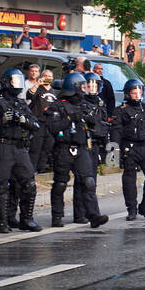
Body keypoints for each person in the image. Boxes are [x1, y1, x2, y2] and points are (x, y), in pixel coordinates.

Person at [49, 72, 108, 229]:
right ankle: (57, 215)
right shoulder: (58, 106)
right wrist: (69, 118)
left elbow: (96, 124)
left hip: (81, 147)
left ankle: (93, 215)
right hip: (63, 147)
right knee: (60, 183)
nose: (84, 90)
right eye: (81, 87)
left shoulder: (84, 105)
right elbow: (53, 127)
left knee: (88, 181)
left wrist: (90, 118)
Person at [0, 68, 40, 232]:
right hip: (3, 146)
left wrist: (23, 120)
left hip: (19, 147)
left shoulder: (21, 103)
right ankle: (0, 221)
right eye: (13, 80)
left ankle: (26, 219)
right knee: (1, 186)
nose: (16, 84)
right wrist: (2, 121)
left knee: (29, 183)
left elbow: (35, 124)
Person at [117, 78, 145, 220]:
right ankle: (131, 209)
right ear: (128, 94)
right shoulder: (122, 110)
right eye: (134, 93)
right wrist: (116, 151)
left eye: (139, 92)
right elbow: (116, 131)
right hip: (129, 147)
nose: (137, 95)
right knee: (129, 179)